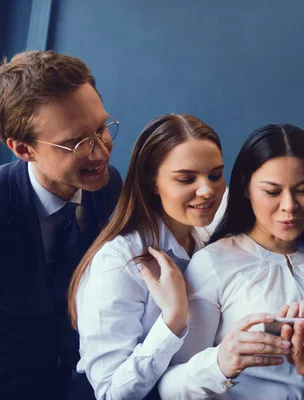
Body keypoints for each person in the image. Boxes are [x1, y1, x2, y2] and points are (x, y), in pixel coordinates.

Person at [158, 123, 304, 399]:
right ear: (246, 187)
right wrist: (222, 363)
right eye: (272, 192)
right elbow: (169, 386)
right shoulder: (213, 263)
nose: (290, 206)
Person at [67, 114, 227, 399]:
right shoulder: (118, 261)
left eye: (215, 175)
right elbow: (111, 392)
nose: (207, 190)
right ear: (153, 182)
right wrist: (173, 321)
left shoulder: (206, 243)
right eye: (187, 178)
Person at [0, 50, 122, 400]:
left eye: (101, 129)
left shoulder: (110, 185)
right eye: (75, 143)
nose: (100, 152)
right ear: (24, 150)